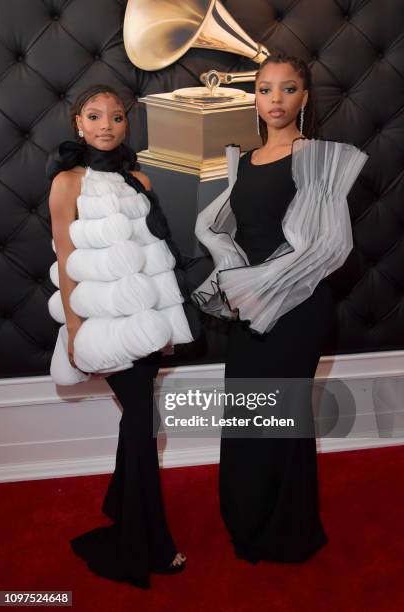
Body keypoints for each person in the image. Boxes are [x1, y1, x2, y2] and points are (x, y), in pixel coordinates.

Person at [192, 51, 369, 563]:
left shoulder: (318, 159)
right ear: (255, 96)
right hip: (251, 310)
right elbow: (237, 238)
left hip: (298, 311)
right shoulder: (242, 163)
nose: (275, 99)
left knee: (282, 419)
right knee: (250, 416)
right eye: (265, 88)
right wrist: (237, 284)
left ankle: (286, 531)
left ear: (304, 97)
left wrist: (257, 288)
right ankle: (248, 519)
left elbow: (324, 247)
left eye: (287, 89)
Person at [47, 84, 200, 588]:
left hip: (147, 322)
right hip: (102, 324)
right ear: (78, 123)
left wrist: (164, 324)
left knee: (136, 424)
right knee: (143, 424)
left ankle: (119, 503)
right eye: (95, 115)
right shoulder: (67, 182)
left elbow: (154, 255)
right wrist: (75, 331)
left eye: (116, 117)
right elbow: (67, 264)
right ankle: (152, 542)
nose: (107, 124)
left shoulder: (141, 180)